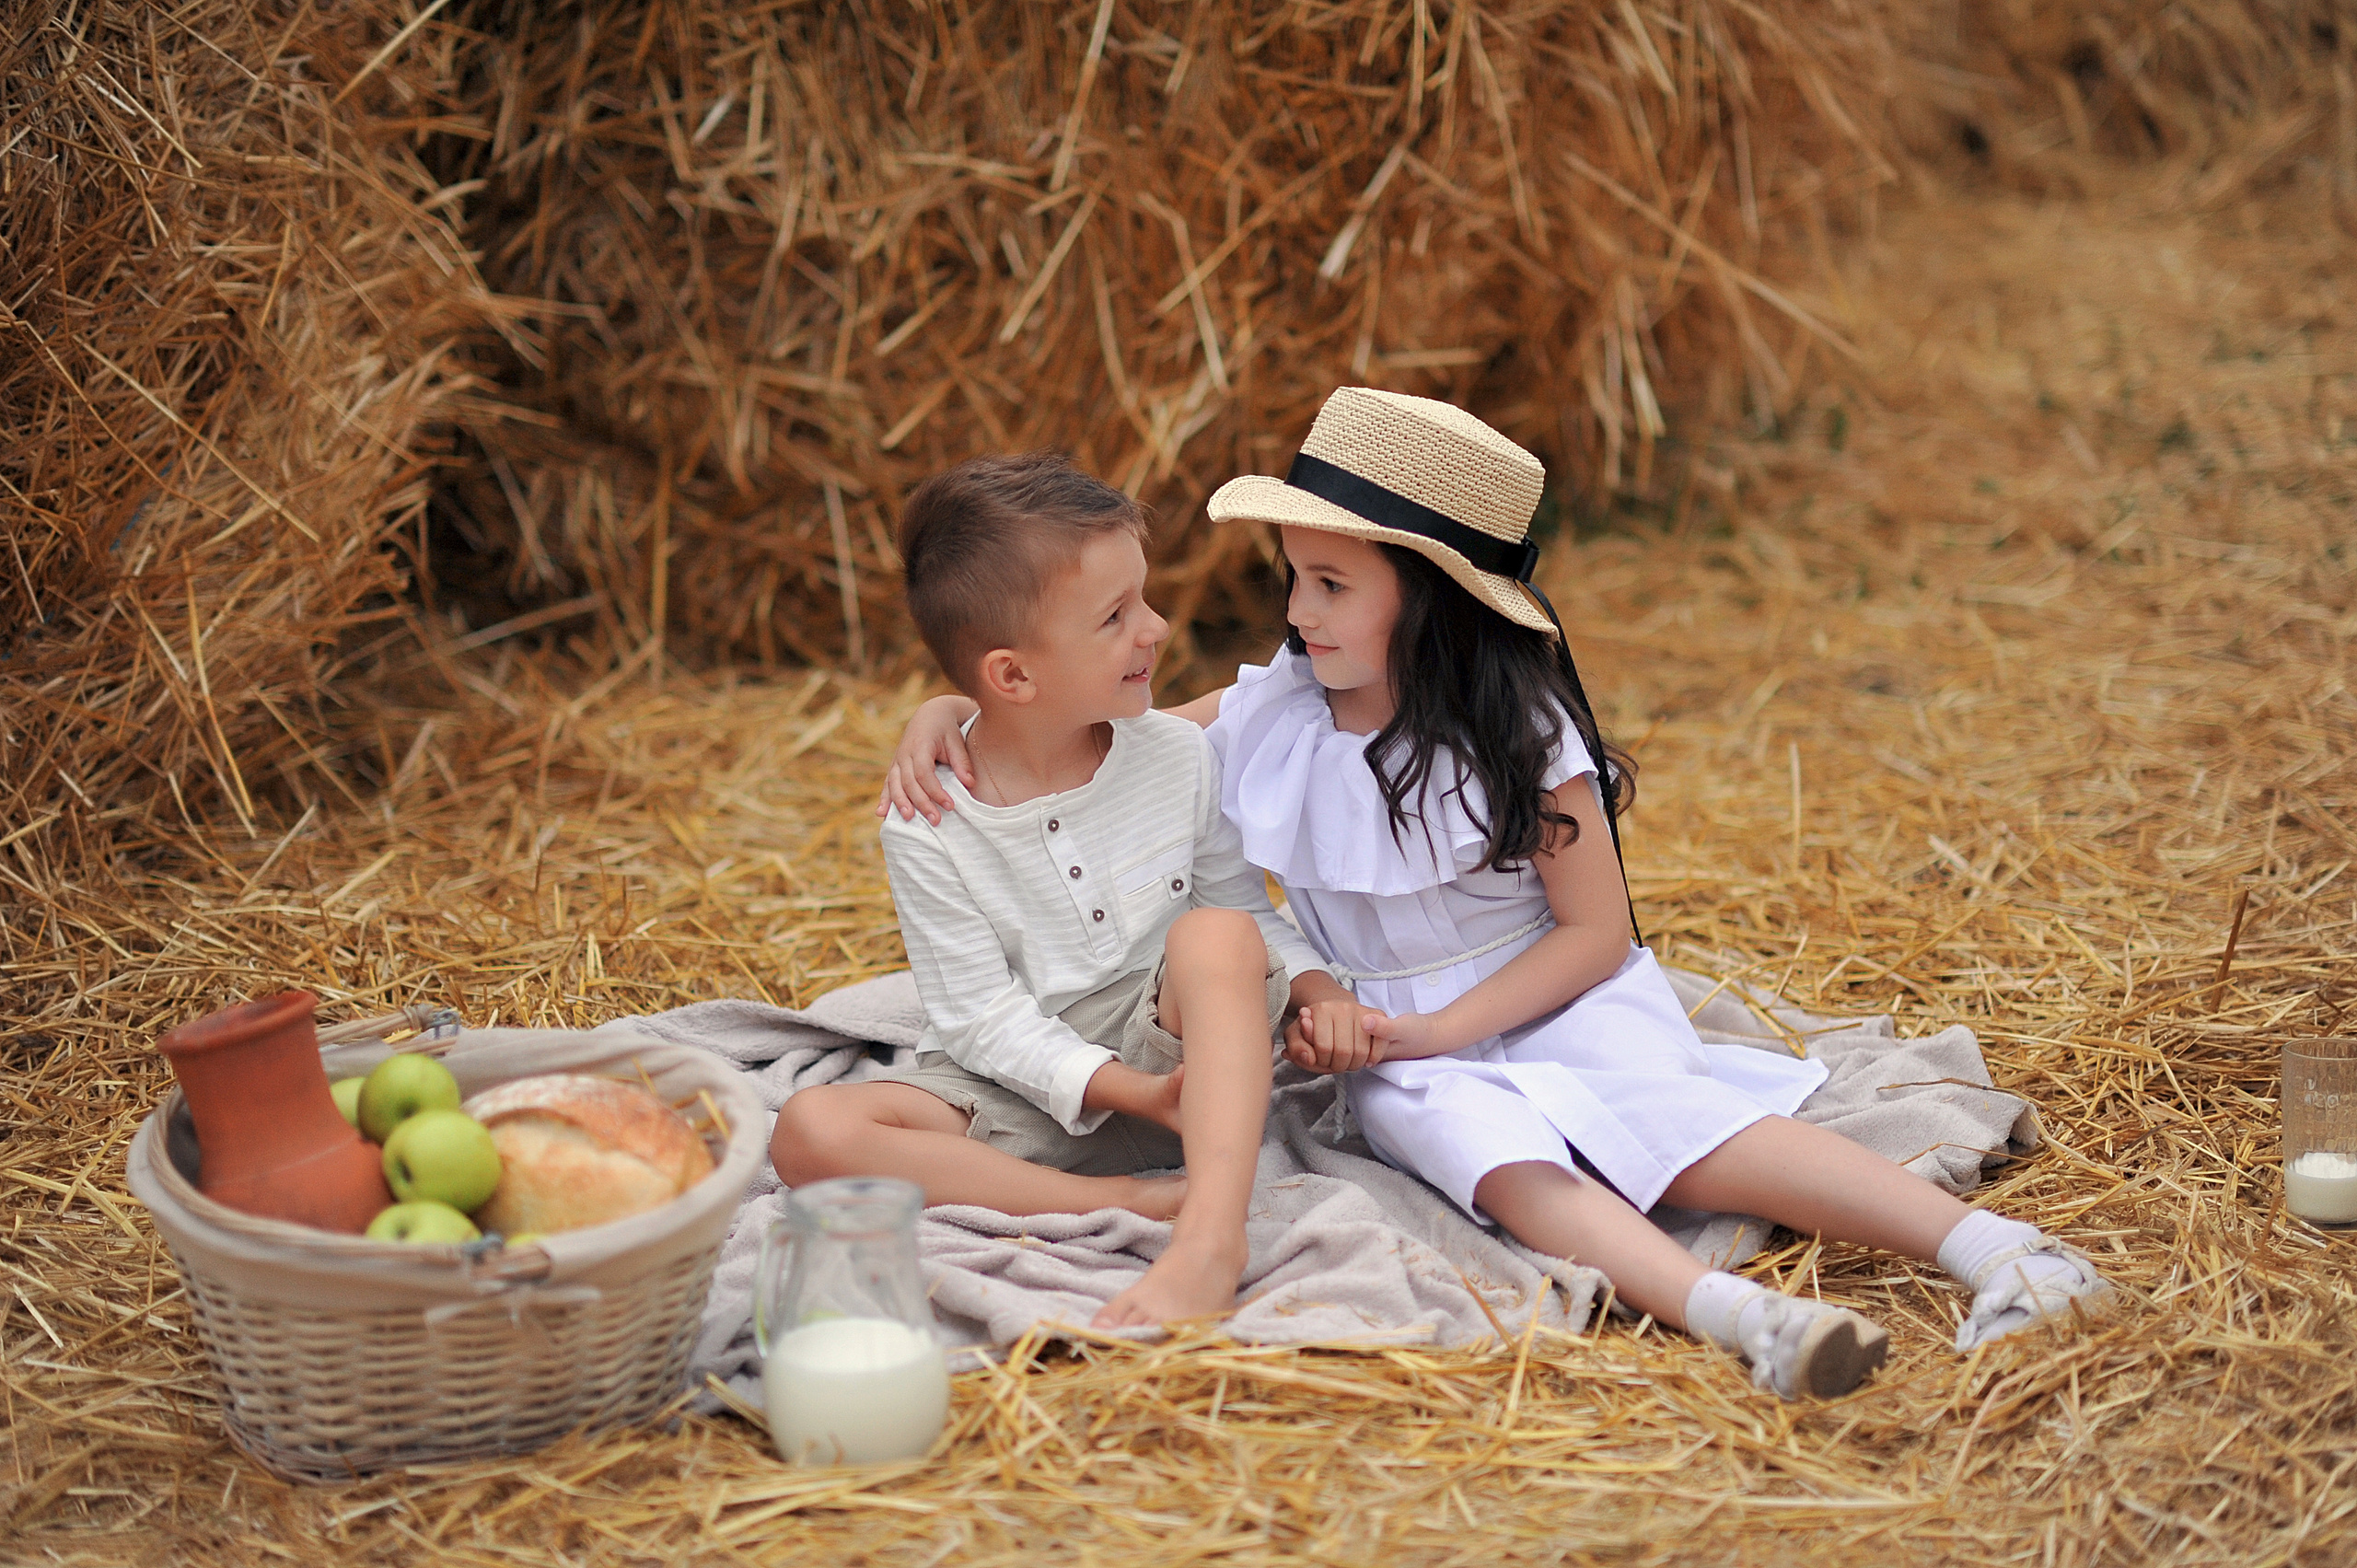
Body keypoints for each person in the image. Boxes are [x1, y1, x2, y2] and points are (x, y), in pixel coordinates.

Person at [879, 389, 2112, 1397]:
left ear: (1430, 596)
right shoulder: (1276, 709)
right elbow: (1091, 725)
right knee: (1505, 1166)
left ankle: (2004, 1252)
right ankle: (1738, 1318)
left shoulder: (1521, 736)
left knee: (1686, 1137)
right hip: (1392, 1044)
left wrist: (1448, 1026)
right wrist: (949, 709)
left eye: (1330, 584)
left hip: (1546, 997)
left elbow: (1594, 935)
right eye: (1294, 577)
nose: (1296, 612)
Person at [773, 452, 1335, 1330]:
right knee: (809, 1129)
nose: (1156, 628)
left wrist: (1319, 991)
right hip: (1022, 1088)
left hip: (1181, 1064)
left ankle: (1210, 1240)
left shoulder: (1178, 754)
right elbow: (978, 1018)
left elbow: (1249, 916)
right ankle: (1125, 1200)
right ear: (1012, 676)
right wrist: (1123, 1091)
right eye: (1116, 616)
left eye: (1143, 599)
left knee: (1218, 934)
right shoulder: (928, 822)